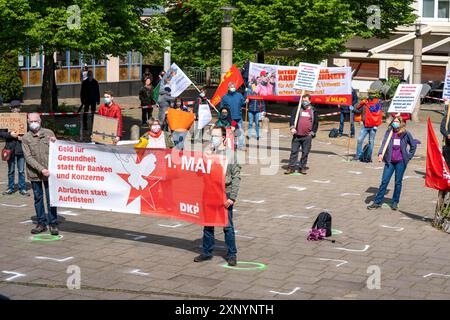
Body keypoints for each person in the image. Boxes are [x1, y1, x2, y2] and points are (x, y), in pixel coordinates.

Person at [194, 126, 241, 266]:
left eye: (216, 136)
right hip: (209, 192)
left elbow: (236, 177)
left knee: (227, 226)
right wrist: (204, 158)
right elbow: (199, 173)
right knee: (208, 224)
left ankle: (232, 254)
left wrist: (231, 197)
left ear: (223, 138)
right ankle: (207, 252)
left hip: (224, 192)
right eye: (212, 136)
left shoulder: (230, 154)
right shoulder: (208, 153)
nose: (213, 139)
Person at [367, 115, 417, 210]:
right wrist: (381, 153)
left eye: (397, 121)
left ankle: (395, 202)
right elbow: (384, 144)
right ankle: (377, 202)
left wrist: (408, 156)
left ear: (401, 123)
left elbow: (413, 145)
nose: (395, 123)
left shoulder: (405, 133)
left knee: (398, 182)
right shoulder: (389, 132)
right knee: (384, 181)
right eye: (394, 121)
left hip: (401, 162)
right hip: (389, 161)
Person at [21, 113, 58, 235]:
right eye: (30, 121)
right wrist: (41, 169)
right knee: (38, 198)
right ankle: (41, 223)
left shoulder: (49, 133)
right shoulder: (26, 138)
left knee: (51, 198)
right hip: (35, 173)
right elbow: (28, 157)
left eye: (35, 120)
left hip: (50, 173)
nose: (33, 123)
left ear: (40, 121)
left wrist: (56, 142)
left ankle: (53, 223)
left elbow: (57, 151)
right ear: (27, 122)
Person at [0, 100, 29, 196]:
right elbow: (1, 133)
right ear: (10, 109)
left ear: (20, 108)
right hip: (10, 148)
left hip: (20, 148)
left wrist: (23, 137)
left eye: (18, 107)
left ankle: (22, 188)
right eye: (14, 107)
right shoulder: (6, 119)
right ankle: (10, 188)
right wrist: (10, 134)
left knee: (21, 170)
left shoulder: (24, 119)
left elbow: (29, 133)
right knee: (11, 170)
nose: (16, 109)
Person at [285, 94, 319, 175]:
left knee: (305, 153)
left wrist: (312, 133)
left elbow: (316, 123)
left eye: (306, 101)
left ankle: (302, 167)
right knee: (294, 152)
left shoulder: (313, 110)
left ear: (310, 101)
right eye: (303, 101)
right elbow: (292, 119)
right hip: (297, 136)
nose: (304, 102)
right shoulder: (297, 109)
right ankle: (291, 167)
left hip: (307, 136)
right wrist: (292, 127)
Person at [354, 89, 383, 161]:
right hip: (365, 125)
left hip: (373, 126)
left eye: (372, 94)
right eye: (369, 93)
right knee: (359, 140)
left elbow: (378, 114)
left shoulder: (377, 103)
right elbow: (358, 110)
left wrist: (376, 125)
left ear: (374, 95)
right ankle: (359, 155)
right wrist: (352, 109)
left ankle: (368, 157)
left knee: (371, 141)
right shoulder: (365, 102)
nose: (370, 95)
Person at [220, 82, 246, 150]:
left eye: (234, 86)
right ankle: (231, 144)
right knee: (230, 133)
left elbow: (243, 103)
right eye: (231, 86)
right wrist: (223, 117)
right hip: (229, 119)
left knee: (240, 132)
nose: (233, 88)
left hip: (238, 118)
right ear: (228, 88)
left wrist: (246, 101)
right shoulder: (224, 97)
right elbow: (222, 108)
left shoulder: (239, 95)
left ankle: (241, 146)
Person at [440, 103, 450, 167]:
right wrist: (447, 134)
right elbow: (442, 128)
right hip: (448, 143)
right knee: (447, 162)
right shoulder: (446, 118)